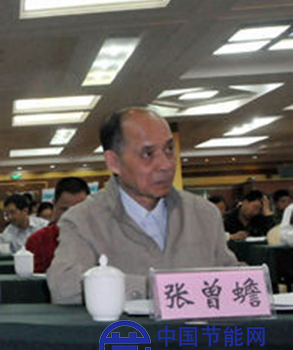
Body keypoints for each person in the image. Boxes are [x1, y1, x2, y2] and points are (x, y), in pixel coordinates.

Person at [47, 107, 238, 304]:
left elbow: (231, 275)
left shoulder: (204, 213)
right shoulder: (83, 219)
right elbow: (64, 286)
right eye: (148, 154)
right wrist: (154, 289)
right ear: (114, 162)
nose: (166, 165)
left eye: (169, 149)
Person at [25, 177, 90, 273]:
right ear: (54, 205)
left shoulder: (102, 239)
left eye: (79, 210)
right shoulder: (37, 241)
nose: (72, 217)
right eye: (65, 210)